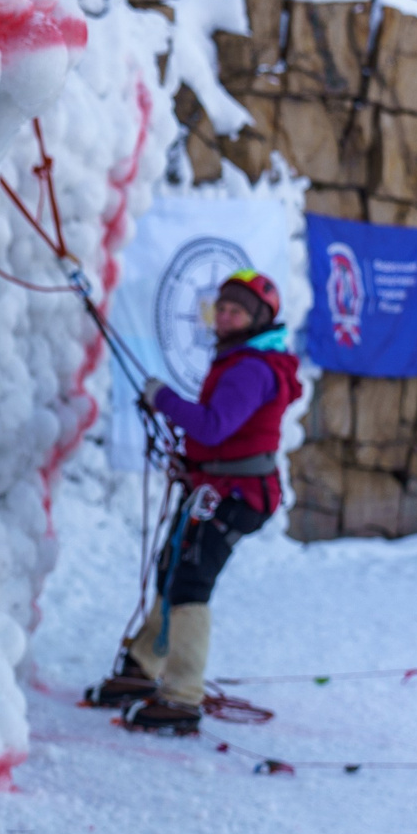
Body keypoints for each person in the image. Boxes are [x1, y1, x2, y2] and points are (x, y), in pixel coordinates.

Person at [86, 268, 300, 736]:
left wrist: (162, 398)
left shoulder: (249, 369)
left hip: (237, 494)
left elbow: (211, 426)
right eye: (219, 308)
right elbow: (221, 435)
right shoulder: (242, 359)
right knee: (172, 568)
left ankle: (182, 697)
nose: (224, 317)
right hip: (218, 487)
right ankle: (143, 665)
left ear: (257, 318)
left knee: (190, 581)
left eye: (236, 310)